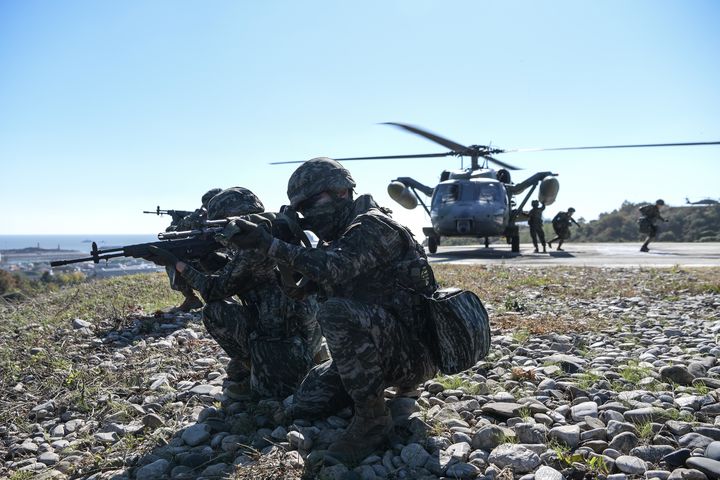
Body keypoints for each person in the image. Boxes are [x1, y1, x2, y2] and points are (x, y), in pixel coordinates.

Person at [217, 158, 441, 462]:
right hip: (379, 350)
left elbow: (331, 268)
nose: (307, 215)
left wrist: (271, 245)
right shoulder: (340, 237)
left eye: (309, 203)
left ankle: (373, 420)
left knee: (334, 312)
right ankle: (371, 392)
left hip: (413, 356)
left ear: (340, 192)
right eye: (300, 209)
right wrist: (284, 244)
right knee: (307, 401)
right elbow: (297, 290)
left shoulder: (374, 226)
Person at [151, 187, 322, 398]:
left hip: (282, 337)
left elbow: (215, 290)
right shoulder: (274, 229)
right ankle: (311, 355)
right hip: (306, 327)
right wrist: (204, 258)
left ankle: (257, 369)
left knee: (215, 312)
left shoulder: (253, 246)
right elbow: (240, 273)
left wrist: (176, 263)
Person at [163, 188, 223, 312]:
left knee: (172, 259)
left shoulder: (201, 218)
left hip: (214, 264)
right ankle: (225, 296)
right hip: (230, 264)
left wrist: (178, 220)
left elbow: (171, 232)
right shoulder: (234, 215)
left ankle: (191, 298)